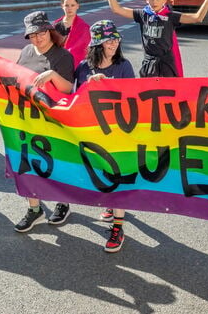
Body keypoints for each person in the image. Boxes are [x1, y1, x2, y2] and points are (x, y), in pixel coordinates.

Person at [0, 11, 75, 233]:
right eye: (33, 34)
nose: (38, 38)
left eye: (42, 32)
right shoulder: (26, 52)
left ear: (50, 31)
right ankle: (34, 209)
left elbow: (67, 90)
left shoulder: (62, 56)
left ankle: (62, 202)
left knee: (55, 164)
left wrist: (53, 75)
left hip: (53, 122)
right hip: (26, 120)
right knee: (26, 164)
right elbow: (13, 80)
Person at [73, 20, 135, 253]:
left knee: (116, 176)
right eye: (109, 39)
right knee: (102, 175)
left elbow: (132, 100)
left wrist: (107, 84)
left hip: (118, 132)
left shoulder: (124, 66)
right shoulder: (82, 67)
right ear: (97, 43)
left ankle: (118, 227)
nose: (114, 42)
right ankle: (112, 205)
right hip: (92, 131)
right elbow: (76, 98)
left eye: (116, 38)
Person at [103, 0, 208, 77]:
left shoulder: (171, 16)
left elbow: (197, 18)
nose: (154, 2)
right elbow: (116, 9)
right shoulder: (142, 14)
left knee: (168, 96)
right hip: (149, 64)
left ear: (164, 0)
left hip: (166, 64)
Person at [53, 0, 90, 66]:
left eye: (72, 5)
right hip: (57, 64)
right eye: (66, 5)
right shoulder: (55, 26)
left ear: (77, 6)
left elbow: (86, 50)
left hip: (76, 65)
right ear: (62, 6)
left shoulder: (84, 27)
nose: (69, 8)